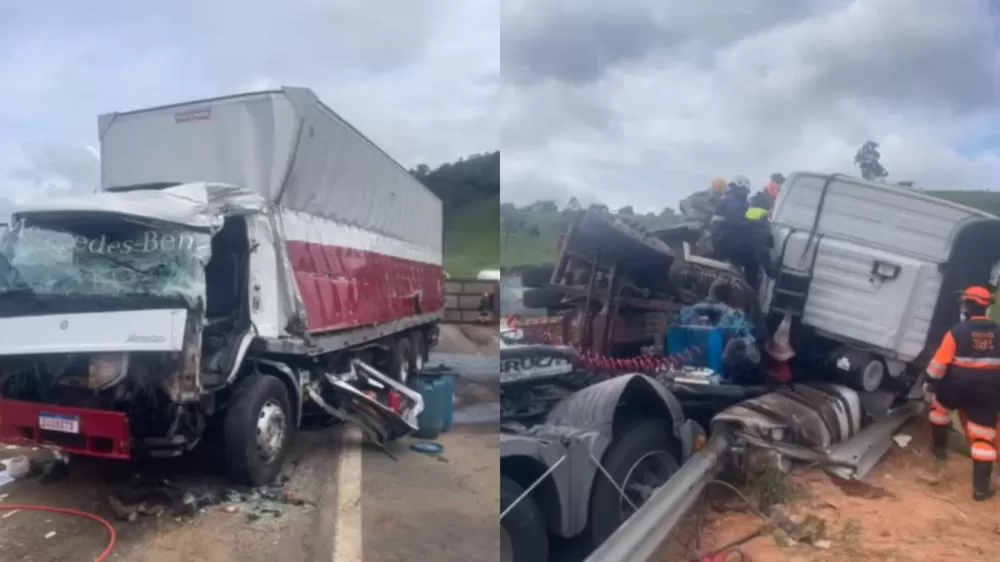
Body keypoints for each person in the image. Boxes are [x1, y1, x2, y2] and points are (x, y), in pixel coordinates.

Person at [925, 286, 1000, 501]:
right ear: (986, 308)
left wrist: (930, 383)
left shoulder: (957, 331)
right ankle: (980, 489)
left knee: (938, 412)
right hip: (987, 392)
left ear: (967, 307)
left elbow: (938, 364)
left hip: (955, 386)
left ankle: (939, 449)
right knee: (983, 438)